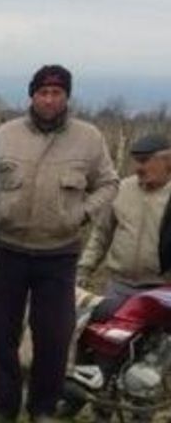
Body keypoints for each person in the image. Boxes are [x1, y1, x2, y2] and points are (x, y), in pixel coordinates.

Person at [0, 65, 119, 423]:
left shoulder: (88, 138)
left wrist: (82, 214)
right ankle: (3, 405)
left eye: (56, 93)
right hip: (8, 247)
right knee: (0, 331)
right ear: (32, 95)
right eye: (42, 92)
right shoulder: (5, 134)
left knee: (54, 337)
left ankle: (43, 408)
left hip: (58, 253)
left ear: (66, 97)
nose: (48, 99)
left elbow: (108, 183)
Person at [78, 133, 171, 319]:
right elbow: (101, 234)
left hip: (161, 291)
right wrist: (83, 269)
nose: (138, 168)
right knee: (106, 341)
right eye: (136, 161)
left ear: (167, 161)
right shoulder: (122, 189)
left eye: (144, 161)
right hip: (119, 288)